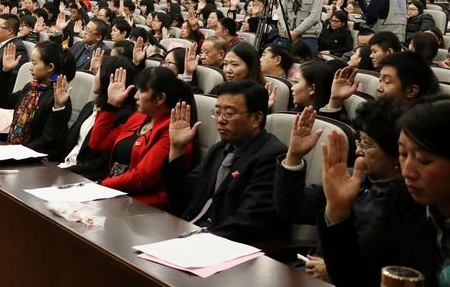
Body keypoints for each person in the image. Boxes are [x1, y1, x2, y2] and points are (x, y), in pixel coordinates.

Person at [318, 96, 450, 286]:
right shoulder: (403, 198)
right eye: (403, 154)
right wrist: (338, 209)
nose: (407, 171)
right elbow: (357, 276)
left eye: (423, 160)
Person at [274, 101, 404, 282]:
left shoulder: (406, 201)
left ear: (398, 153)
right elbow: (291, 208)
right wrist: (294, 156)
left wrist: (336, 269)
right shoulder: (348, 177)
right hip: (310, 272)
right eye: (360, 142)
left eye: (367, 145)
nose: (358, 151)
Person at [162, 80, 289, 244]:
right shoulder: (221, 148)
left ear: (256, 118)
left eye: (229, 114)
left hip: (228, 244)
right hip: (191, 231)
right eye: (217, 112)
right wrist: (176, 148)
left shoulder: (271, 155)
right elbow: (182, 197)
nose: (220, 120)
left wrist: (197, 241)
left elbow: (248, 222)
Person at [89, 66, 195, 205]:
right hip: (114, 191)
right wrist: (111, 105)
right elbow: (98, 144)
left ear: (160, 98)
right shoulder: (138, 117)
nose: (135, 96)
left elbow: (142, 178)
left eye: (142, 91)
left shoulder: (173, 130)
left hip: (143, 204)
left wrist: (100, 186)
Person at [0, 41, 76, 160]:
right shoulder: (31, 87)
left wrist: (18, 151)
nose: (30, 68)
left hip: (41, 158)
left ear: (50, 67)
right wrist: (6, 72)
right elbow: (2, 101)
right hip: (19, 151)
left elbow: (49, 139)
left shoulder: (59, 97)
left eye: (34, 63)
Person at [60, 56, 136, 180]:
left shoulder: (125, 116)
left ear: (108, 78)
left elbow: (103, 162)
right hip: (64, 167)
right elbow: (67, 142)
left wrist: (64, 171)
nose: (94, 77)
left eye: (98, 72)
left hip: (82, 176)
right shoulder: (90, 106)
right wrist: (59, 108)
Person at [322, 52, 440, 112]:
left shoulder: (421, 130)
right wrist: (335, 100)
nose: (378, 88)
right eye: (380, 80)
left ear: (411, 91)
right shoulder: (379, 114)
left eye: (387, 82)